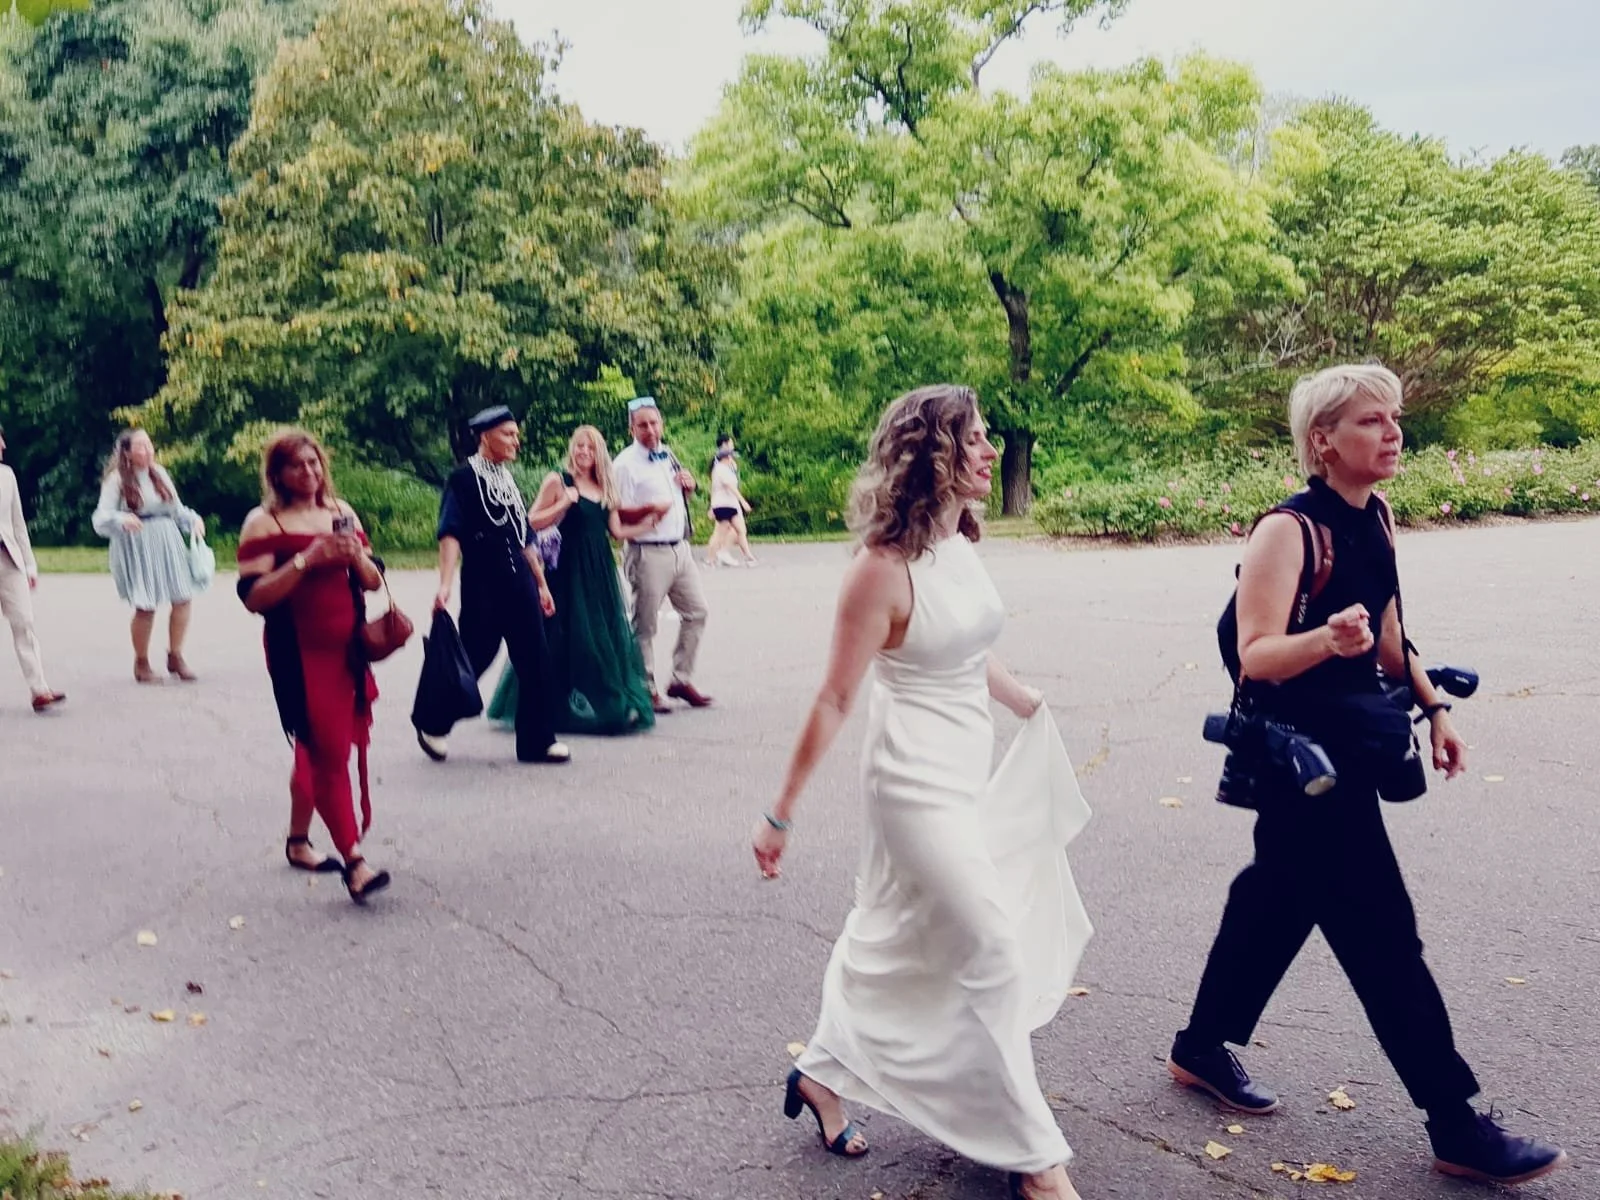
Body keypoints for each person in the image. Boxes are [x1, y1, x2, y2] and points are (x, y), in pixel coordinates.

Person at [1167, 364, 1565, 1186]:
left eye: (1396, 419)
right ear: (1323, 440)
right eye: (1371, 421)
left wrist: (1436, 710)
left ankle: (1200, 1047)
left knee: (1274, 903)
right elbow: (1255, 654)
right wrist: (1323, 641)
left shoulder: (1375, 517)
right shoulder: (1285, 530)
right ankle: (1455, 1123)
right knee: (1384, 936)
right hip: (1300, 764)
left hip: (1353, 744)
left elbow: (1389, 632)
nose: (1393, 433)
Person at [752, 384, 1086, 1200]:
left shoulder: (958, 546)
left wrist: (1025, 700)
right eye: (971, 439)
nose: (986, 451)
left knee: (897, 937)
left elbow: (965, 649)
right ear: (929, 453)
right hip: (910, 784)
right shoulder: (880, 570)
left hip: (964, 767)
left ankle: (820, 1075)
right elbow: (834, 698)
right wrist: (779, 814)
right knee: (993, 953)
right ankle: (1037, 1162)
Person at [236, 430, 391, 904]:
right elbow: (254, 597)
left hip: (346, 649)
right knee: (326, 753)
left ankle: (298, 839)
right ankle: (355, 862)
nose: (309, 473)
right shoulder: (264, 523)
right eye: (296, 466)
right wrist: (308, 559)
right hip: (298, 656)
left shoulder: (341, 512)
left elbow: (372, 580)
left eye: (314, 463)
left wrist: (356, 557)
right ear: (277, 474)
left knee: (320, 748)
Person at [486, 426, 663, 735]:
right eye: (580, 446)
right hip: (566, 571)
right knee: (563, 637)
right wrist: (563, 503)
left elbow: (617, 531)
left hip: (599, 574)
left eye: (590, 448)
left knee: (600, 635)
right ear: (572, 449)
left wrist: (647, 526)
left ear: (599, 454)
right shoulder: (559, 481)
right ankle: (550, 707)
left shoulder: (605, 487)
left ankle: (603, 703)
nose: (584, 452)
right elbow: (529, 523)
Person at [422, 406, 570, 765]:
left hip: (520, 580)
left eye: (516, 434)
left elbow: (525, 538)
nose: (516, 441)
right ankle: (432, 723)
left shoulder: (507, 480)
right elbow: (450, 532)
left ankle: (537, 741)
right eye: (508, 434)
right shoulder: (462, 480)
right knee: (474, 655)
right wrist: (445, 583)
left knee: (535, 658)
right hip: (483, 583)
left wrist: (541, 585)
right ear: (485, 437)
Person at [612, 396, 712, 712]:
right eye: (642, 425)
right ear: (631, 428)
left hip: (679, 547)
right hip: (647, 552)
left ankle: (680, 679)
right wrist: (648, 510)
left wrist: (690, 485)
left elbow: (680, 491)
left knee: (697, 612)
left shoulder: (667, 454)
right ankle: (646, 687)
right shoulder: (624, 464)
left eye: (654, 423)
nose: (651, 430)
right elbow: (614, 512)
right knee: (645, 624)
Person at [91, 430, 204, 683]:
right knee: (146, 605)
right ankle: (141, 663)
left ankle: (176, 656)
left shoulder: (159, 473)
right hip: (139, 545)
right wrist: (122, 519)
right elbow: (100, 517)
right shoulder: (117, 480)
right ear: (127, 453)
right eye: (141, 446)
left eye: (149, 445)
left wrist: (193, 520)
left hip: (168, 541)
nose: (148, 450)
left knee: (183, 598)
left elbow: (176, 510)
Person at [0, 425, 64, 712]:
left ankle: (39, 690)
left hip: (8, 559)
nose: (2, 445)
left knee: (24, 622)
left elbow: (18, 524)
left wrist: (29, 565)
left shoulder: (7, 476)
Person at [703, 434, 756, 567]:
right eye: (730, 457)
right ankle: (711, 559)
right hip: (723, 505)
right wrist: (743, 502)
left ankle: (748, 557)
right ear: (725, 457)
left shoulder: (728, 469)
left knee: (740, 530)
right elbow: (729, 487)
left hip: (731, 505)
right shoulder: (720, 469)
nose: (732, 459)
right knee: (719, 533)